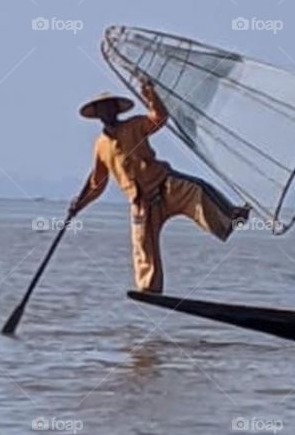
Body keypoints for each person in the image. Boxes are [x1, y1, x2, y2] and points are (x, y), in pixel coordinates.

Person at [68, 77, 250, 293]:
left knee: (197, 191)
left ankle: (231, 218)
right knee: (143, 245)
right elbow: (97, 183)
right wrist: (78, 205)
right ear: (98, 114)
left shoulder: (134, 125)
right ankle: (149, 288)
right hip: (140, 202)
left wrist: (150, 94)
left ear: (117, 110)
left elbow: (160, 118)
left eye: (111, 108)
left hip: (164, 185)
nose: (108, 112)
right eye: (103, 109)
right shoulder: (101, 145)